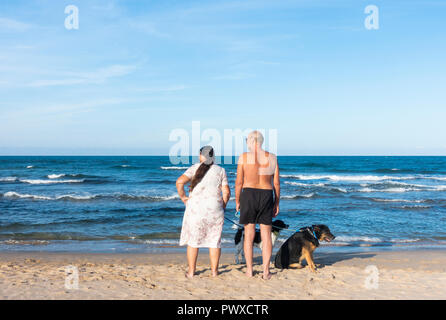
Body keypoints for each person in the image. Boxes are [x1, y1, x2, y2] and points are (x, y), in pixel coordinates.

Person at [176, 146, 230, 278]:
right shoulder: (220, 170)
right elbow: (227, 192)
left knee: (194, 241)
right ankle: (214, 272)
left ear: (201, 155)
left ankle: (191, 272)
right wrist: (223, 205)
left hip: (196, 209)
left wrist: (184, 198)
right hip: (214, 209)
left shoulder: (194, 168)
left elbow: (179, 182)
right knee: (214, 241)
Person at [235, 131, 280, 280]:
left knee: (249, 234)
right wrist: (277, 202)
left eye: (247, 140)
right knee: (266, 235)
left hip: (248, 194)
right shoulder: (272, 157)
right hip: (266, 194)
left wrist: (237, 200)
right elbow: (276, 183)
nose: (246, 143)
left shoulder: (244, 157)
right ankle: (266, 271)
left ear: (252, 141)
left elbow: (239, 182)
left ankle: (249, 270)